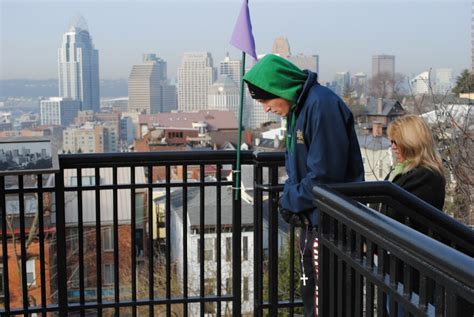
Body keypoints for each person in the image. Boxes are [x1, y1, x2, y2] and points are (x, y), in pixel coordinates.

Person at [243, 54, 364, 316]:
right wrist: (292, 198)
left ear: (280, 88)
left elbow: (324, 177)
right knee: (313, 297)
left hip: (331, 224)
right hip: (314, 220)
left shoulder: (321, 106)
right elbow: (301, 172)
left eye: (265, 99)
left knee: (326, 301)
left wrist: (289, 199)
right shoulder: (300, 108)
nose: (265, 108)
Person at [386, 114, 446, 209]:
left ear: (411, 143)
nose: (393, 147)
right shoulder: (399, 171)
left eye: (396, 142)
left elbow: (396, 212)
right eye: (392, 142)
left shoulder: (425, 176)